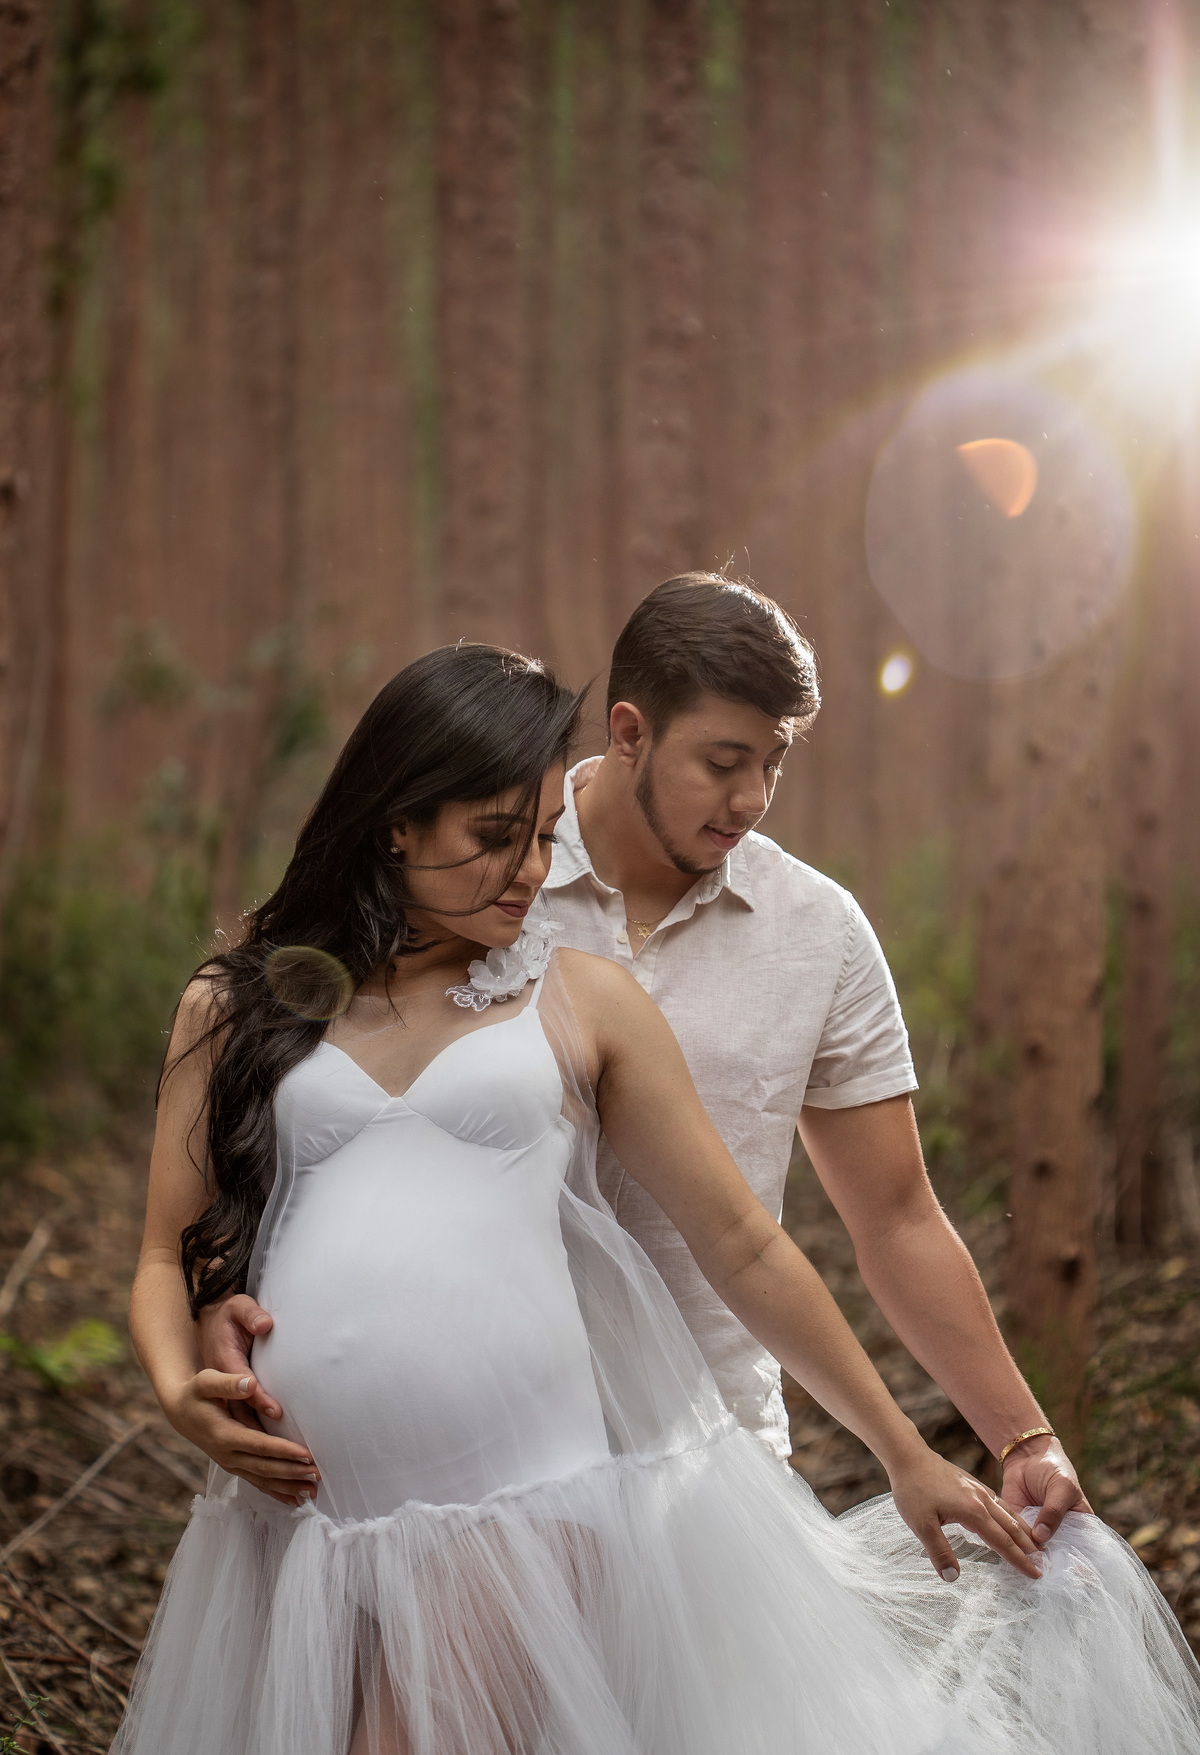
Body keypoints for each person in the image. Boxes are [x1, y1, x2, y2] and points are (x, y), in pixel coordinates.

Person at [115, 644, 1199, 1755]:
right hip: (295, 1532)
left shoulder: (584, 1000)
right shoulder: (234, 1001)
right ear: (395, 822)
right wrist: (176, 1388)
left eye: (542, 836)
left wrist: (903, 1448)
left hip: (519, 1508)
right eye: (493, 838)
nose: (529, 872)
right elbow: (167, 1251)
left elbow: (741, 1241)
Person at [206, 575, 1086, 1541]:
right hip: (475, 1451)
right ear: (628, 732)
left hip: (707, 1455)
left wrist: (1020, 1436)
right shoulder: (482, 872)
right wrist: (219, 1301)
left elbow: (896, 1215)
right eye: (721, 760)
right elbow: (319, 1099)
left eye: (773, 762)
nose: (749, 797)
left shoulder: (819, 934)